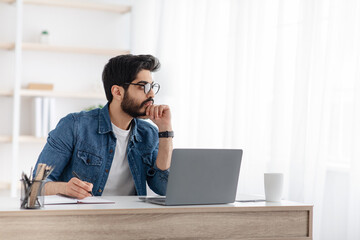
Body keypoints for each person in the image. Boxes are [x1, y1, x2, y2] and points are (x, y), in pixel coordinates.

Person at [33, 54, 173, 199]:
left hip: (130, 218)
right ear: (117, 92)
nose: (151, 94)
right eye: (143, 87)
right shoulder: (74, 126)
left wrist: (165, 131)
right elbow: (36, 185)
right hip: (83, 218)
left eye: (152, 87)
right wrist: (65, 188)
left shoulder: (149, 133)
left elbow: (163, 188)